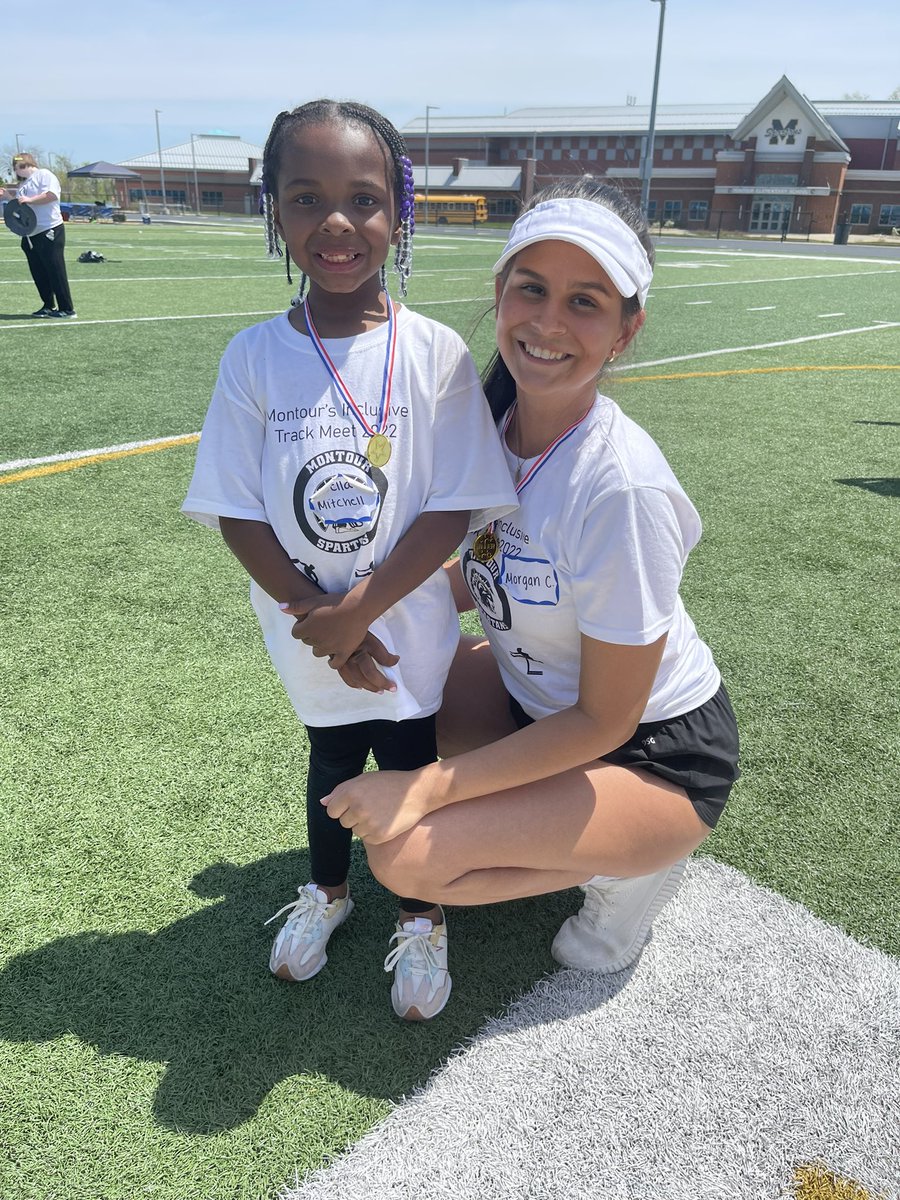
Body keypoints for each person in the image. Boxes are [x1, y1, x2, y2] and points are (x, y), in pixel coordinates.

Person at [316, 178, 741, 977]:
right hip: (539, 701)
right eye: (532, 290)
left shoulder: (621, 489)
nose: (548, 323)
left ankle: (634, 865)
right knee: (405, 680)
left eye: (586, 302)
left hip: (652, 752)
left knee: (404, 856)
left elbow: (606, 721)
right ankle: (563, 821)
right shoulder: (490, 419)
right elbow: (480, 567)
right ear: (500, 294)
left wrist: (432, 789)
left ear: (626, 330)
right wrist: (365, 612)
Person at [181, 100, 517, 1021]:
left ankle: (422, 910)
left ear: (398, 214)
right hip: (304, 627)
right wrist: (317, 616)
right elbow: (235, 510)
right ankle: (327, 893)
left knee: (411, 762)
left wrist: (359, 609)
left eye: (363, 199)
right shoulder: (253, 358)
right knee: (331, 759)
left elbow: (453, 503)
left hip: (405, 630)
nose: (336, 221)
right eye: (306, 197)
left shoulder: (435, 351)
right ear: (275, 213)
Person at [1, 154, 76, 318]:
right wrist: (8, 196)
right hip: (30, 234)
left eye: (16, 167)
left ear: (22, 165)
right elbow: (22, 205)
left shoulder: (44, 175)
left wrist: (30, 199)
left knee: (55, 269)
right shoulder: (24, 185)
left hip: (49, 228)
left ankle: (67, 309)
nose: (15, 171)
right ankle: (48, 305)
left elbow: (51, 195)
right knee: (39, 272)